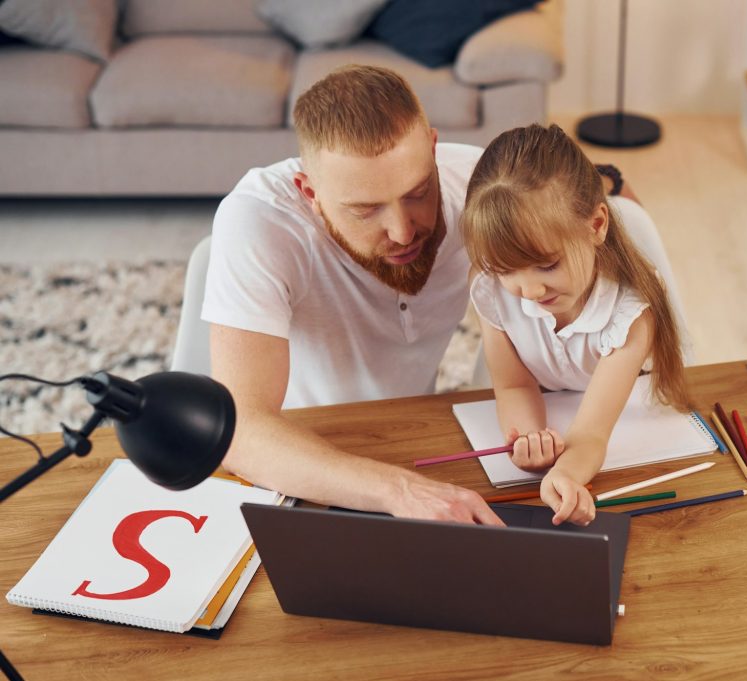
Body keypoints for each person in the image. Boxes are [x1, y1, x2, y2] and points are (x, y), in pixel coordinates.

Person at [202, 65, 503, 525]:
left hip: (413, 435)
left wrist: (618, 187)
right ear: (310, 193)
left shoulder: (479, 185)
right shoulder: (258, 219)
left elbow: (580, 195)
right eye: (365, 210)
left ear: (434, 149)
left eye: (419, 192)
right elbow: (240, 431)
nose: (403, 231)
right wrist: (399, 491)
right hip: (295, 462)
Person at [460, 123, 690, 527]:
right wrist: (529, 438)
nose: (529, 290)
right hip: (543, 391)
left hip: (624, 413)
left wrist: (565, 474)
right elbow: (513, 385)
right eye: (506, 270)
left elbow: (591, 435)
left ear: (597, 226)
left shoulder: (631, 313)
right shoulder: (493, 291)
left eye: (547, 264)